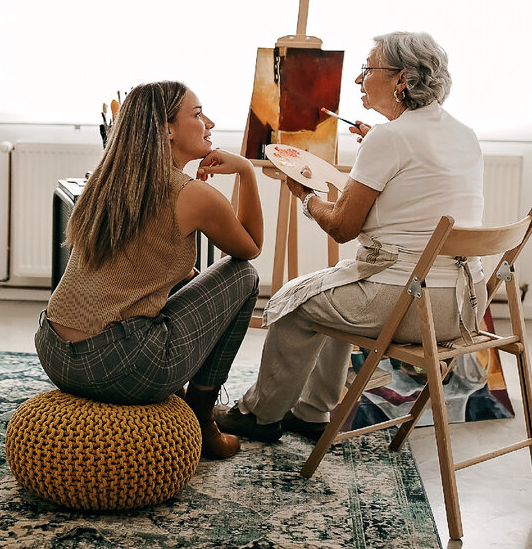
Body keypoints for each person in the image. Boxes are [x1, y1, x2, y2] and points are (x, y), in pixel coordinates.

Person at [215, 31, 484, 443]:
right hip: (464, 304)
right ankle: (309, 412)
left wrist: (306, 198)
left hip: (411, 304)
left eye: (367, 68)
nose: (359, 80)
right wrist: (381, 138)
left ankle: (260, 415)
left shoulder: (389, 138)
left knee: (295, 303)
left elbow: (343, 227)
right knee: (334, 290)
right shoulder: (462, 133)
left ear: (401, 79)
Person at [36, 81, 263, 460]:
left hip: (55, 353)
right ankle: (203, 420)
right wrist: (246, 173)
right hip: (119, 366)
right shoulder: (192, 194)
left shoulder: (105, 180)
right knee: (243, 277)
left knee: (188, 280)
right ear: (167, 128)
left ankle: (193, 408)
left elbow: (137, 267)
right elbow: (249, 249)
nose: (209, 122)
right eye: (197, 113)